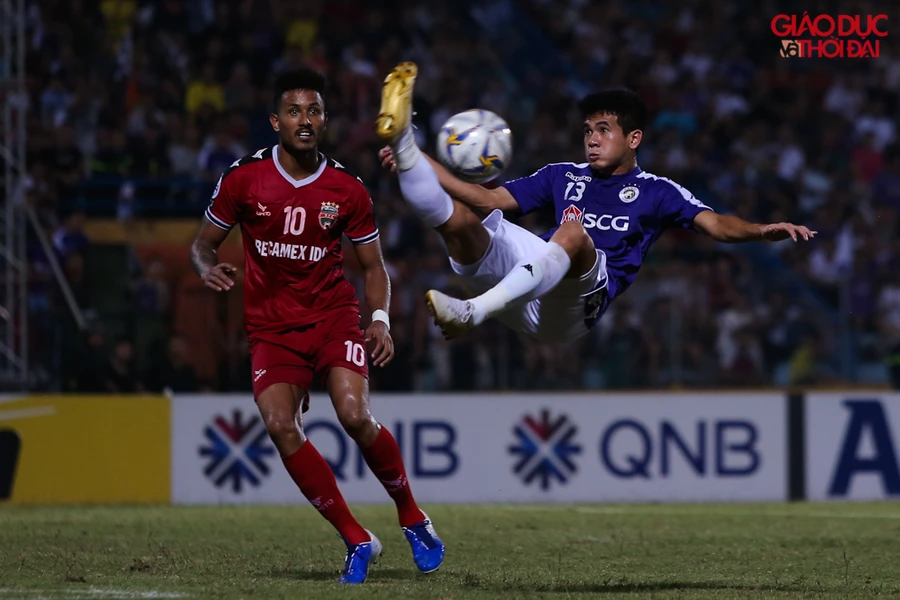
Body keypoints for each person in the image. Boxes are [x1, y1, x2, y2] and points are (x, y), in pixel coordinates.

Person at [190, 68, 444, 584]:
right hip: (271, 329)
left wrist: (379, 320)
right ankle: (356, 539)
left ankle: (412, 517)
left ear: (325, 120)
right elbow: (201, 244)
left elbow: (374, 268)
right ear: (275, 121)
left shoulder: (347, 189)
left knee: (353, 414)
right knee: (281, 426)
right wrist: (205, 267)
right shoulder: (243, 178)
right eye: (294, 111)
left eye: (314, 111)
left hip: (332, 319)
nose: (304, 120)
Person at [376, 62, 816, 341]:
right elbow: (486, 197)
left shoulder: (657, 190)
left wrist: (762, 231)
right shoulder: (561, 175)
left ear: (633, 138)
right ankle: (404, 145)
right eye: (588, 130)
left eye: (604, 129)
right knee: (461, 224)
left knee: (572, 233)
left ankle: (472, 313)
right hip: (531, 273)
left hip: (576, 304)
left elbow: (717, 225)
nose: (592, 139)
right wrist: (420, 161)